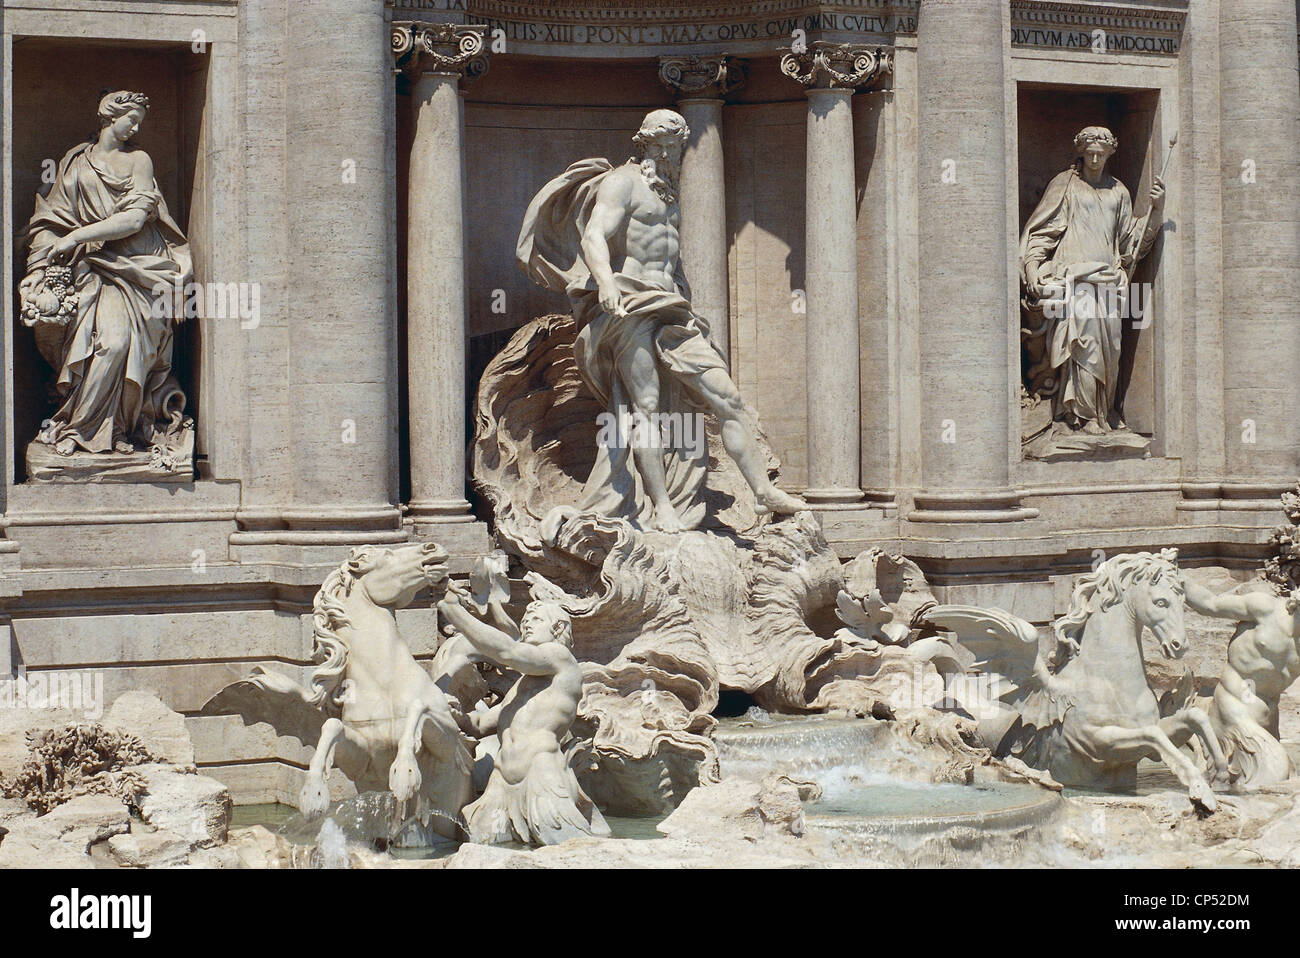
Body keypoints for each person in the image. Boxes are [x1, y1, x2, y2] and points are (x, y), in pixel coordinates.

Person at [517, 109, 806, 532]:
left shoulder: (668, 192)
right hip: (630, 303)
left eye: (677, 146)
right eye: (663, 145)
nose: (671, 154)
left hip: (672, 308)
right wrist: (606, 284)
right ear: (645, 143)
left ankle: (762, 491)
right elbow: (594, 235)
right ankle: (661, 506)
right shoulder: (622, 182)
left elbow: (671, 258)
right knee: (646, 408)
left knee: (727, 397)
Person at [19, 90, 192, 457]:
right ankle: (83, 429)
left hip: (137, 269)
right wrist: (40, 265)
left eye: (141, 120)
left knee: (115, 344)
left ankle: (105, 430)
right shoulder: (73, 162)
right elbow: (50, 219)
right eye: (132, 118)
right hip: (89, 269)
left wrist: (76, 236)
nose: (136, 127)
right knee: (100, 344)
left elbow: (133, 219)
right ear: (111, 115)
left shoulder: (139, 161)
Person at [437, 580, 611, 845]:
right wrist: (457, 714)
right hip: (502, 779)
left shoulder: (561, 659)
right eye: (526, 618)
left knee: (567, 851)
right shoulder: (523, 684)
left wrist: (455, 613)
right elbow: (482, 724)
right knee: (479, 847)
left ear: (557, 628)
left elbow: (508, 651)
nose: (526, 623)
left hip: (540, 773)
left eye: (536, 618)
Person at [1019, 126, 1164, 434]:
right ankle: (1080, 416)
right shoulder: (1066, 185)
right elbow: (1043, 231)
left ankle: (1104, 411)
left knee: (1110, 348)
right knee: (1084, 346)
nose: (1095, 159)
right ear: (1081, 154)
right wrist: (1032, 267)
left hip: (1109, 281)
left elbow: (1130, 241)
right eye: (1089, 154)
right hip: (1076, 279)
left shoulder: (1119, 192)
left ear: (1110, 153)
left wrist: (1156, 210)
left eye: (1101, 153)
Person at [1184, 579, 1300, 786]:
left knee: (1277, 780)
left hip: (1269, 718)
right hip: (1234, 706)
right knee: (1277, 774)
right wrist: (1175, 577)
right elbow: (1210, 603)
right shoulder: (1266, 608)